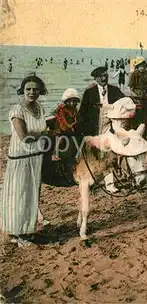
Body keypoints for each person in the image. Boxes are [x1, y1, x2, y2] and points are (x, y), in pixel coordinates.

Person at [0, 75, 50, 247]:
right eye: (28, 89)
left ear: (40, 91)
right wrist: (44, 135)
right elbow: (24, 137)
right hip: (20, 159)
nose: (32, 92)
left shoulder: (40, 108)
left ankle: (29, 231)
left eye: (35, 89)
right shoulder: (17, 110)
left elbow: (40, 129)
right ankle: (18, 234)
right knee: (19, 196)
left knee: (32, 196)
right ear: (22, 90)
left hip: (36, 158)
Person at [78, 66, 125, 136]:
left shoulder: (115, 90)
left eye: (106, 75)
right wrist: (85, 131)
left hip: (111, 130)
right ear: (95, 79)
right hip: (94, 130)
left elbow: (125, 103)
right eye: (101, 76)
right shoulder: (89, 93)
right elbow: (82, 113)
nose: (104, 78)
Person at [50, 88, 80, 161]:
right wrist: (70, 126)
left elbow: (76, 118)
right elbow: (62, 120)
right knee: (61, 139)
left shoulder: (74, 109)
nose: (72, 103)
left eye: (74, 101)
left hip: (70, 128)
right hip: (61, 128)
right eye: (70, 101)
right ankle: (54, 154)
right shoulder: (62, 109)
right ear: (66, 101)